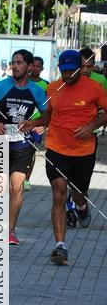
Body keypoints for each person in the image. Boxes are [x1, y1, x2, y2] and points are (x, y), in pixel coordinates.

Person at [21, 48, 107, 266]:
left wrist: (92, 126)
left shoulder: (94, 88)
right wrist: (34, 122)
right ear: (59, 68)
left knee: (78, 194)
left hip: (83, 152)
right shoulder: (53, 88)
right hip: (57, 149)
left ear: (80, 68)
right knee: (58, 193)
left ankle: (82, 206)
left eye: (72, 71)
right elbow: (48, 115)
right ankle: (61, 246)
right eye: (64, 71)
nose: (68, 75)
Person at [0, 49, 47, 246]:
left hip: (23, 143)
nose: (14, 66)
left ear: (29, 66)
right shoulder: (2, 86)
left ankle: (10, 231)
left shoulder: (36, 90)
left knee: (16, 186)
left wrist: (37, 124)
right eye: (13, 63)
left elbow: (47, 114)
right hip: (1, 141)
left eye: (19, 63)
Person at [23, 56, 49, 190]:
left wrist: (44, 125)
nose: (35, 68)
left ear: (42, 68)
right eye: (33, 65)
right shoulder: (22, 81)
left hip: (36, 124)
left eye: (38, 66)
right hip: (21, 122)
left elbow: (49, 108)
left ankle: (26, 179)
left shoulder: (46, 85)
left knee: (30, 151)